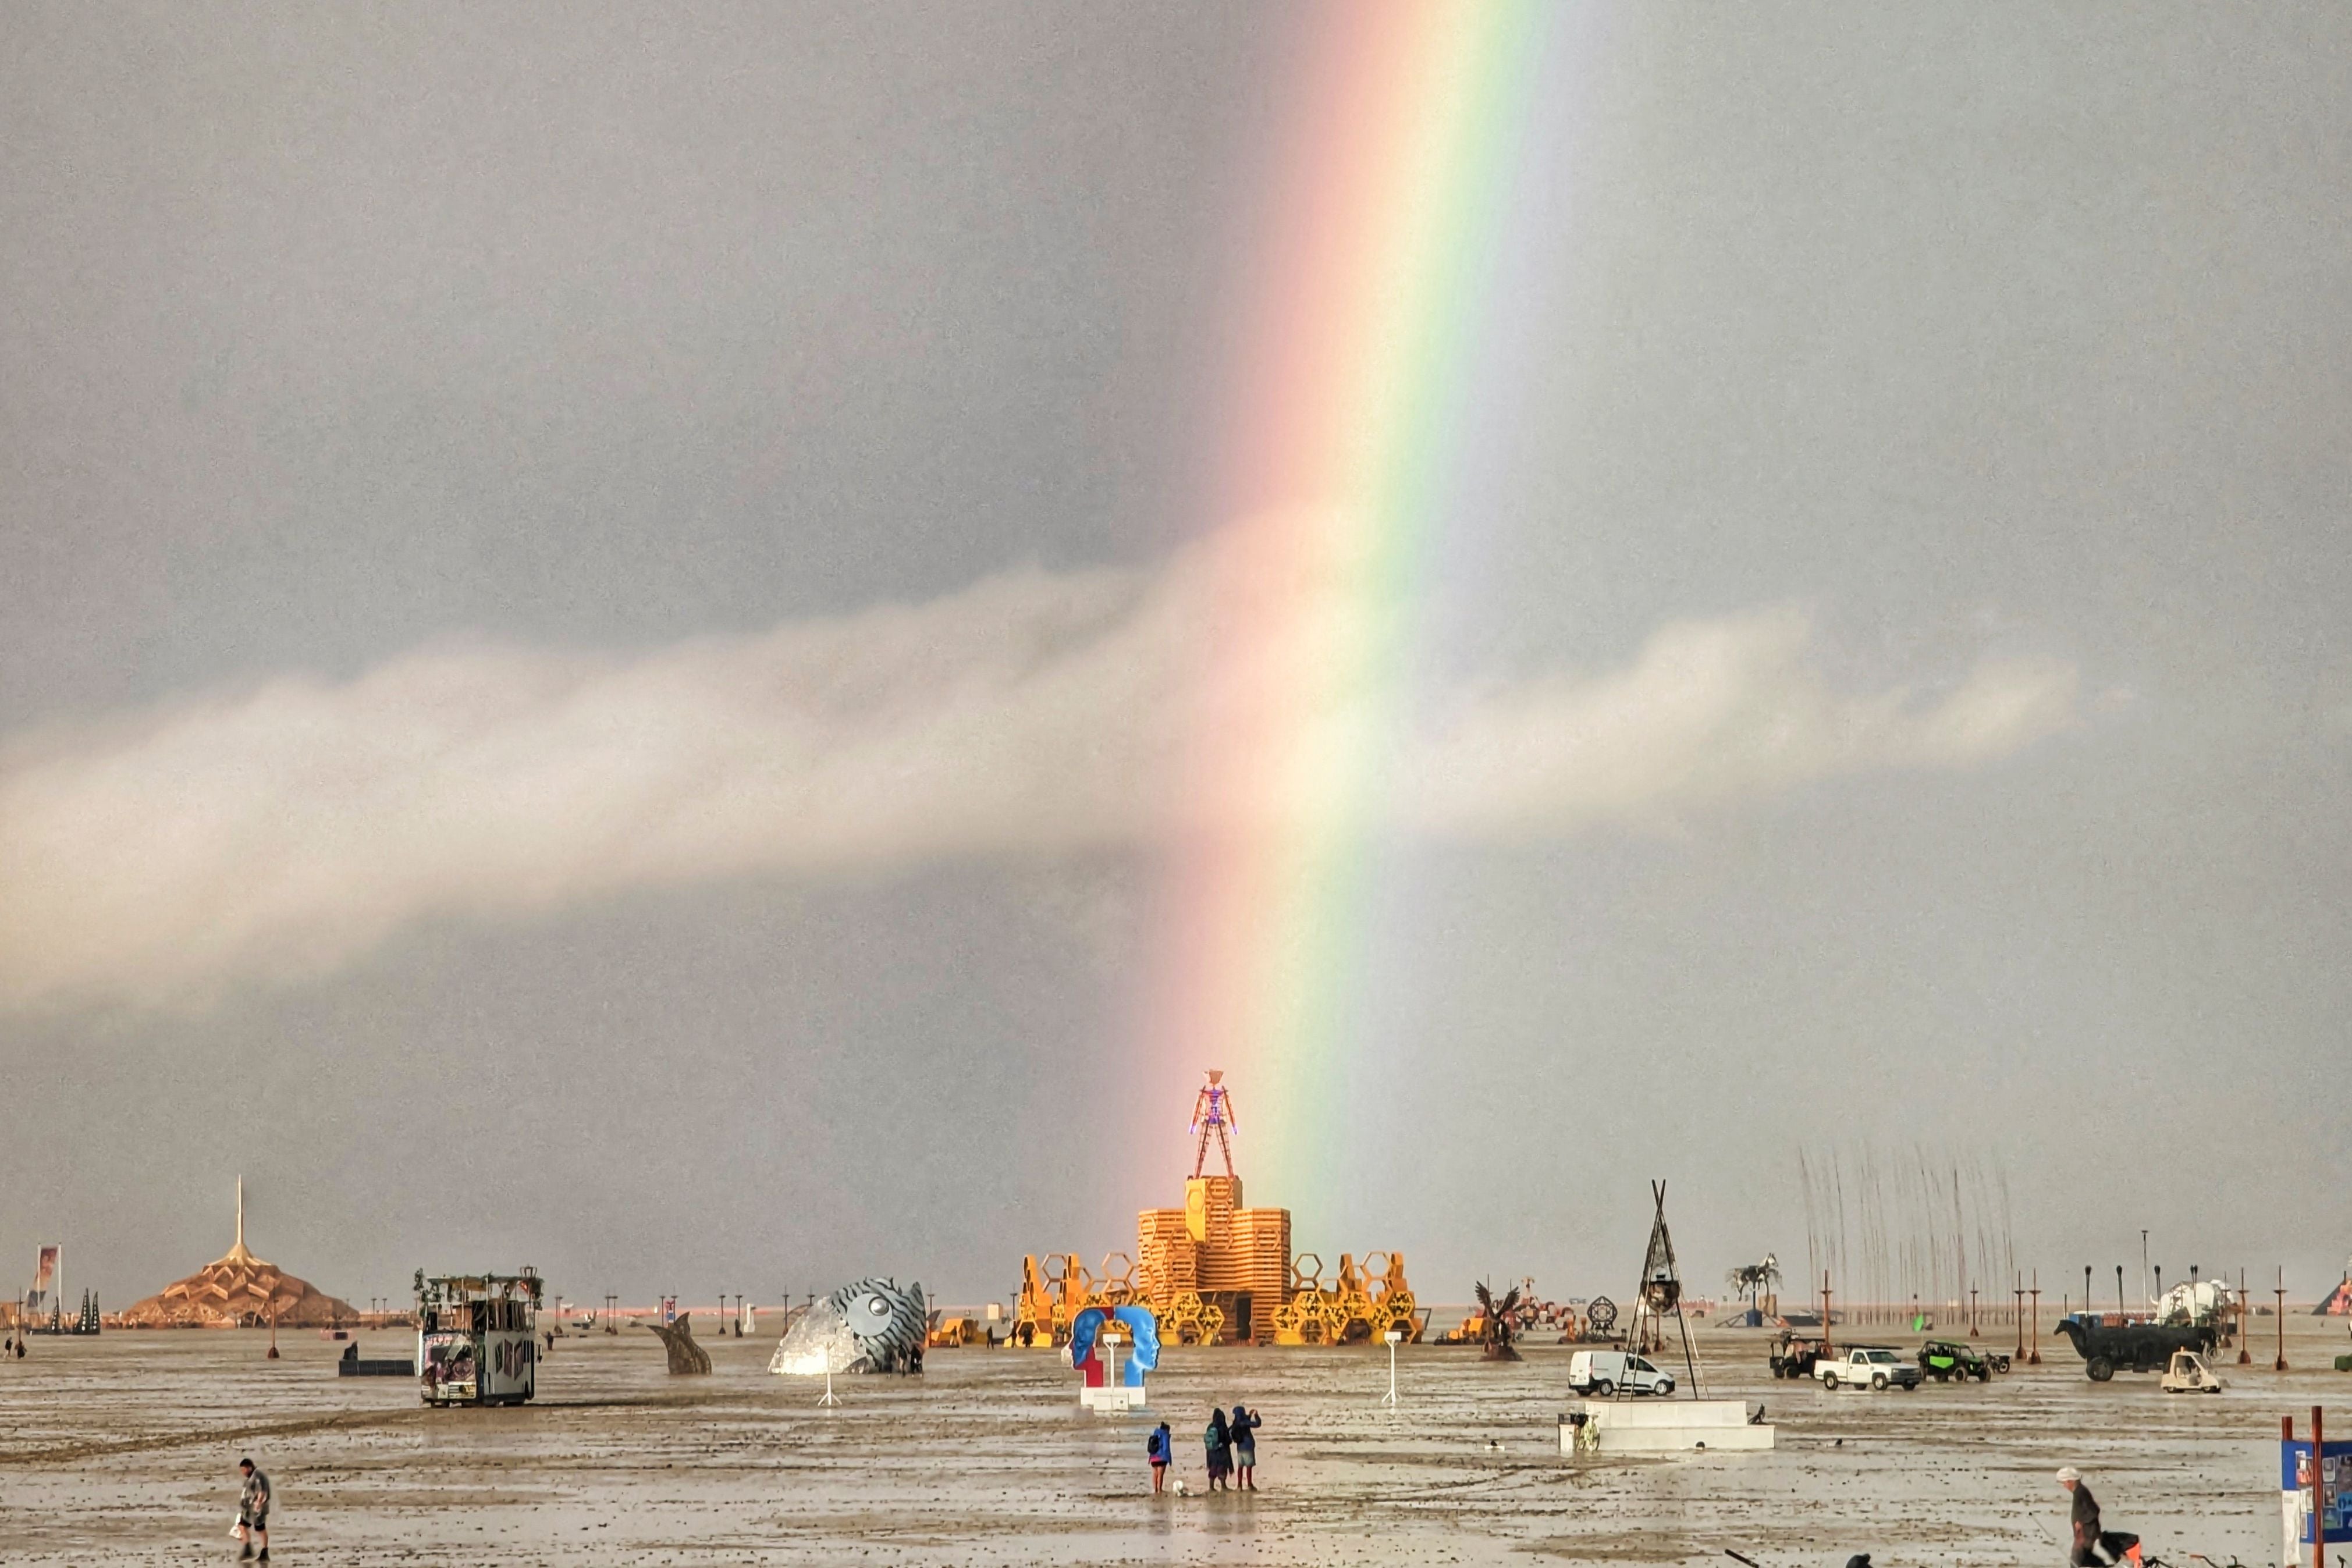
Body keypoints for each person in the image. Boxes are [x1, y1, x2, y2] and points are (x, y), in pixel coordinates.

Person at [2058, 1467, 2141, 1567]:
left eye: (2064, 1483)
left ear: (2069, 1481)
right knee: (2085, 1560)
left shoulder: (2080, 1493)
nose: (2064, 1486)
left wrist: (2081, 1523)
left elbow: (2094, 1510)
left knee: (2077, 1561)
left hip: (2086, 1535)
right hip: (2085, 1536)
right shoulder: (2079, 1492)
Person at [236, 1456, 271, 1563]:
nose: (242, 1472)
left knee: (260, 1529)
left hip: (257, 1507)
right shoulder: (252, 1476)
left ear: (249, 1468)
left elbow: (262, 1491)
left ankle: (264, 1552)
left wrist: (259, 1504)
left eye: (243, 1469)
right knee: (242, 1525)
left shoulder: (258, 1476)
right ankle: (248, 1549)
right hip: (250, 1508)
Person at [1228, 1403, 1262, 1490]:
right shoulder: (1245, 1423)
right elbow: (1257, 1424)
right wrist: (1256, 1416)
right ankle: (1250, 1484)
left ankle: (1239, 1485)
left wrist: (1249, 1415)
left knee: (1240, 1467)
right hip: (1248, 1446)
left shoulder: (1235, 1424)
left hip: (1240, 1448)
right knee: (1249, 1467)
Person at [1204, 1407, 1231, 1492]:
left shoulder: (1210, 1427)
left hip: (1211, 1452)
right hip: (1222, 1452)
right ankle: (1223, 1487)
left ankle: (1211, 1487)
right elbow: (1228, 1440)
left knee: (1213, 1468)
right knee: (1222, 1469)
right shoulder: (1223, 1427)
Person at [1146, 1421, 1172, 1494]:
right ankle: (1160, 1490)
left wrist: (1150, 1458)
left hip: (1153, 1457)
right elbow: (1166, 1448)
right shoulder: (1165, 1435)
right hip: (1162, 1458)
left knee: (1155, 1474)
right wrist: (1169, 1459)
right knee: (1160, 1475)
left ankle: (1155, 1489)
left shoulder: (1155, 1433)